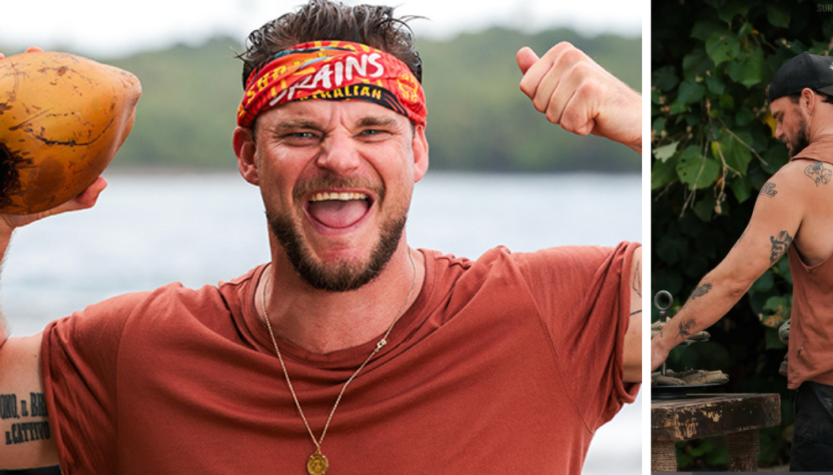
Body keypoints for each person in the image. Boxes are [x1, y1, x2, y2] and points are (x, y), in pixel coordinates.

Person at [0, 1, 643, 474]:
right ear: (248, 157)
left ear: (417, 151)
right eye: (300, 133)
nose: (338, 157)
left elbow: (735, 279)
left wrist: (650, 128)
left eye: (372, 130)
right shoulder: (139, 352)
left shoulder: (555, 314)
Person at [650, 52, 833, 471]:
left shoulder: (799, 178)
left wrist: (660, 342)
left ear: (807, 100)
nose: (779, 131)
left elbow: (732, 280)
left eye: (780, 116)